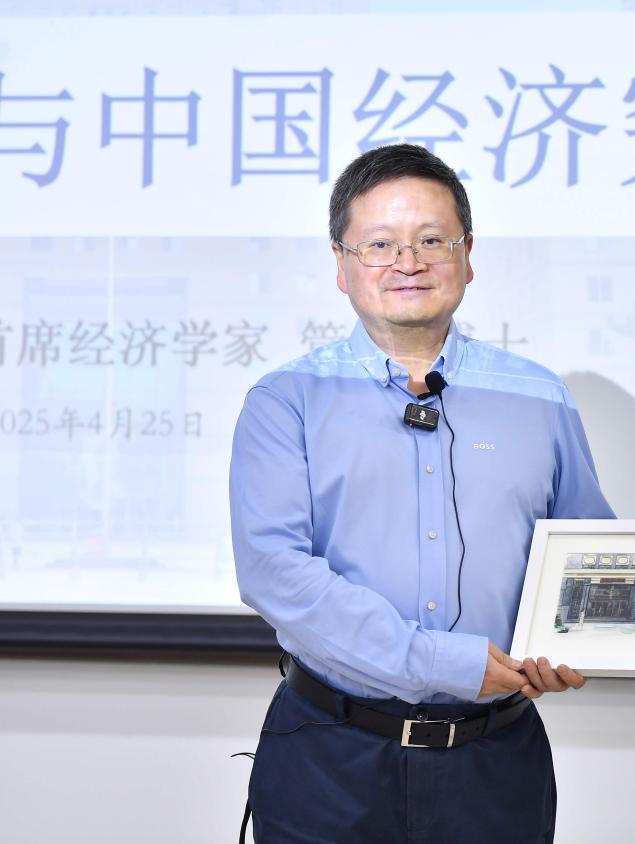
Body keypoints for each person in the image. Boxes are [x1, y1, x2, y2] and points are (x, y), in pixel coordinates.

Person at [229, 143, 613, 843]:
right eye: (380, 244)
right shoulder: (286, 400)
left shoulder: (538, 397)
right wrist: (444, 662)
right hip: (330, 755)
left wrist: (584, 640)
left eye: (432, 240)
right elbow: (274, 571)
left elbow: (589, 552)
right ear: (342, 264)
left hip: (497, 760)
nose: (408, 262)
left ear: (467, 256)